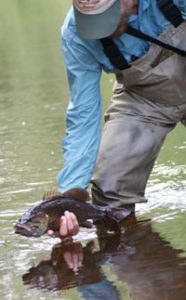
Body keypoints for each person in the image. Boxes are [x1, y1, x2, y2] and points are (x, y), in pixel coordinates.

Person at [48, 0, 186, 239]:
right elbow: (83, 118)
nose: (100, 28)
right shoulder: (75, 35)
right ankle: (137, 257)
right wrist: (69, 199)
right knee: (109, 192)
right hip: (145, 99)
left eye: (107, 15)